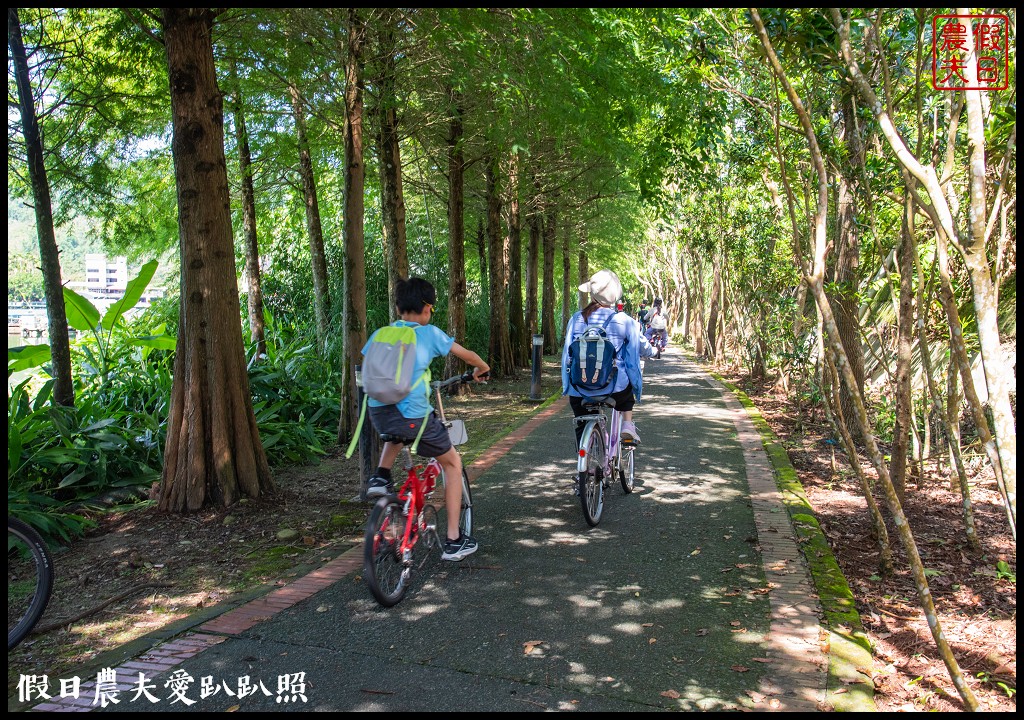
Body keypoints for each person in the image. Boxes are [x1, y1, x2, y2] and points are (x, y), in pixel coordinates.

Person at [364, 277, 490, 561]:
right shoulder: (430, 333)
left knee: (397, 432)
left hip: (378, 413)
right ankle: (454, 540)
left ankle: (380, 476)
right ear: (427, 308)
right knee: (452, 462)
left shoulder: (380, 334)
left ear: (398, 308)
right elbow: (466, 355)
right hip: (414, 417)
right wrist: (482, 367)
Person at [562, 269, 654, 448]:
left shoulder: (576, 319)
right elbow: (638, 351)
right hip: (614, 388)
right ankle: (627, 425)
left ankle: (585, 459)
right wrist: (652, 352)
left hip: (579, 388)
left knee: (580, 417)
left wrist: (567, 386)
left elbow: (567, 354)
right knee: (627, 395)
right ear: (615, 297)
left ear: (592, 294)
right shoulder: (624, 320)